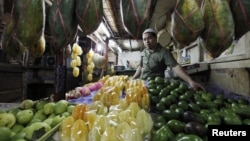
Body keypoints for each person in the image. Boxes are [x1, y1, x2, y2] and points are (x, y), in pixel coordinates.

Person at [132, 28, 205, 91]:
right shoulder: (144, 52)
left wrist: (191, 81)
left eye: (149, 38)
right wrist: (134, 78)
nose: (147, 41)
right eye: (144, 39)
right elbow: (141, 66)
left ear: (156, 38)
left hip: (155, 86)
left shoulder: (164, 52)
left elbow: (175, 67)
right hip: (142, 83)